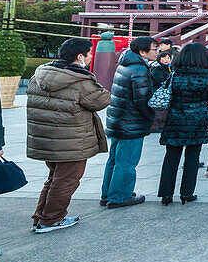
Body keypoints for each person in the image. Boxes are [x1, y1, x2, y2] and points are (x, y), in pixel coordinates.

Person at [26, 38, 111, 233]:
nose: (91, 57)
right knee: (66, 181)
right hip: (71, 141)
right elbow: (101, 100)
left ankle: (41, 217)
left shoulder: (41, 73)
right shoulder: (79, 79)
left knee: (54, 178)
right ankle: (51, 220)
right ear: (79, 56)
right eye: (89, 53)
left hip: (46, 139)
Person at [158, 42, 208, 205]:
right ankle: (187, 193)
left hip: (175, 117)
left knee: (171, 156)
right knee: (193, 156)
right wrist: (201, 104)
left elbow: (168, 93)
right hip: (197, 118)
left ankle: (166, 194)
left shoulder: (176, 73)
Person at [101, 36, 158, 208]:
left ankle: (108, 194)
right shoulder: (139, 70)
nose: (157, 52)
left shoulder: (125, 65)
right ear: (142, 52)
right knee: (126, 162)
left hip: (117, 119)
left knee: (114, 159)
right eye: (154, 49)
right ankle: (119, 196)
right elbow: (142, 100)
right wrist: (151, 117)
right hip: (130, 122)